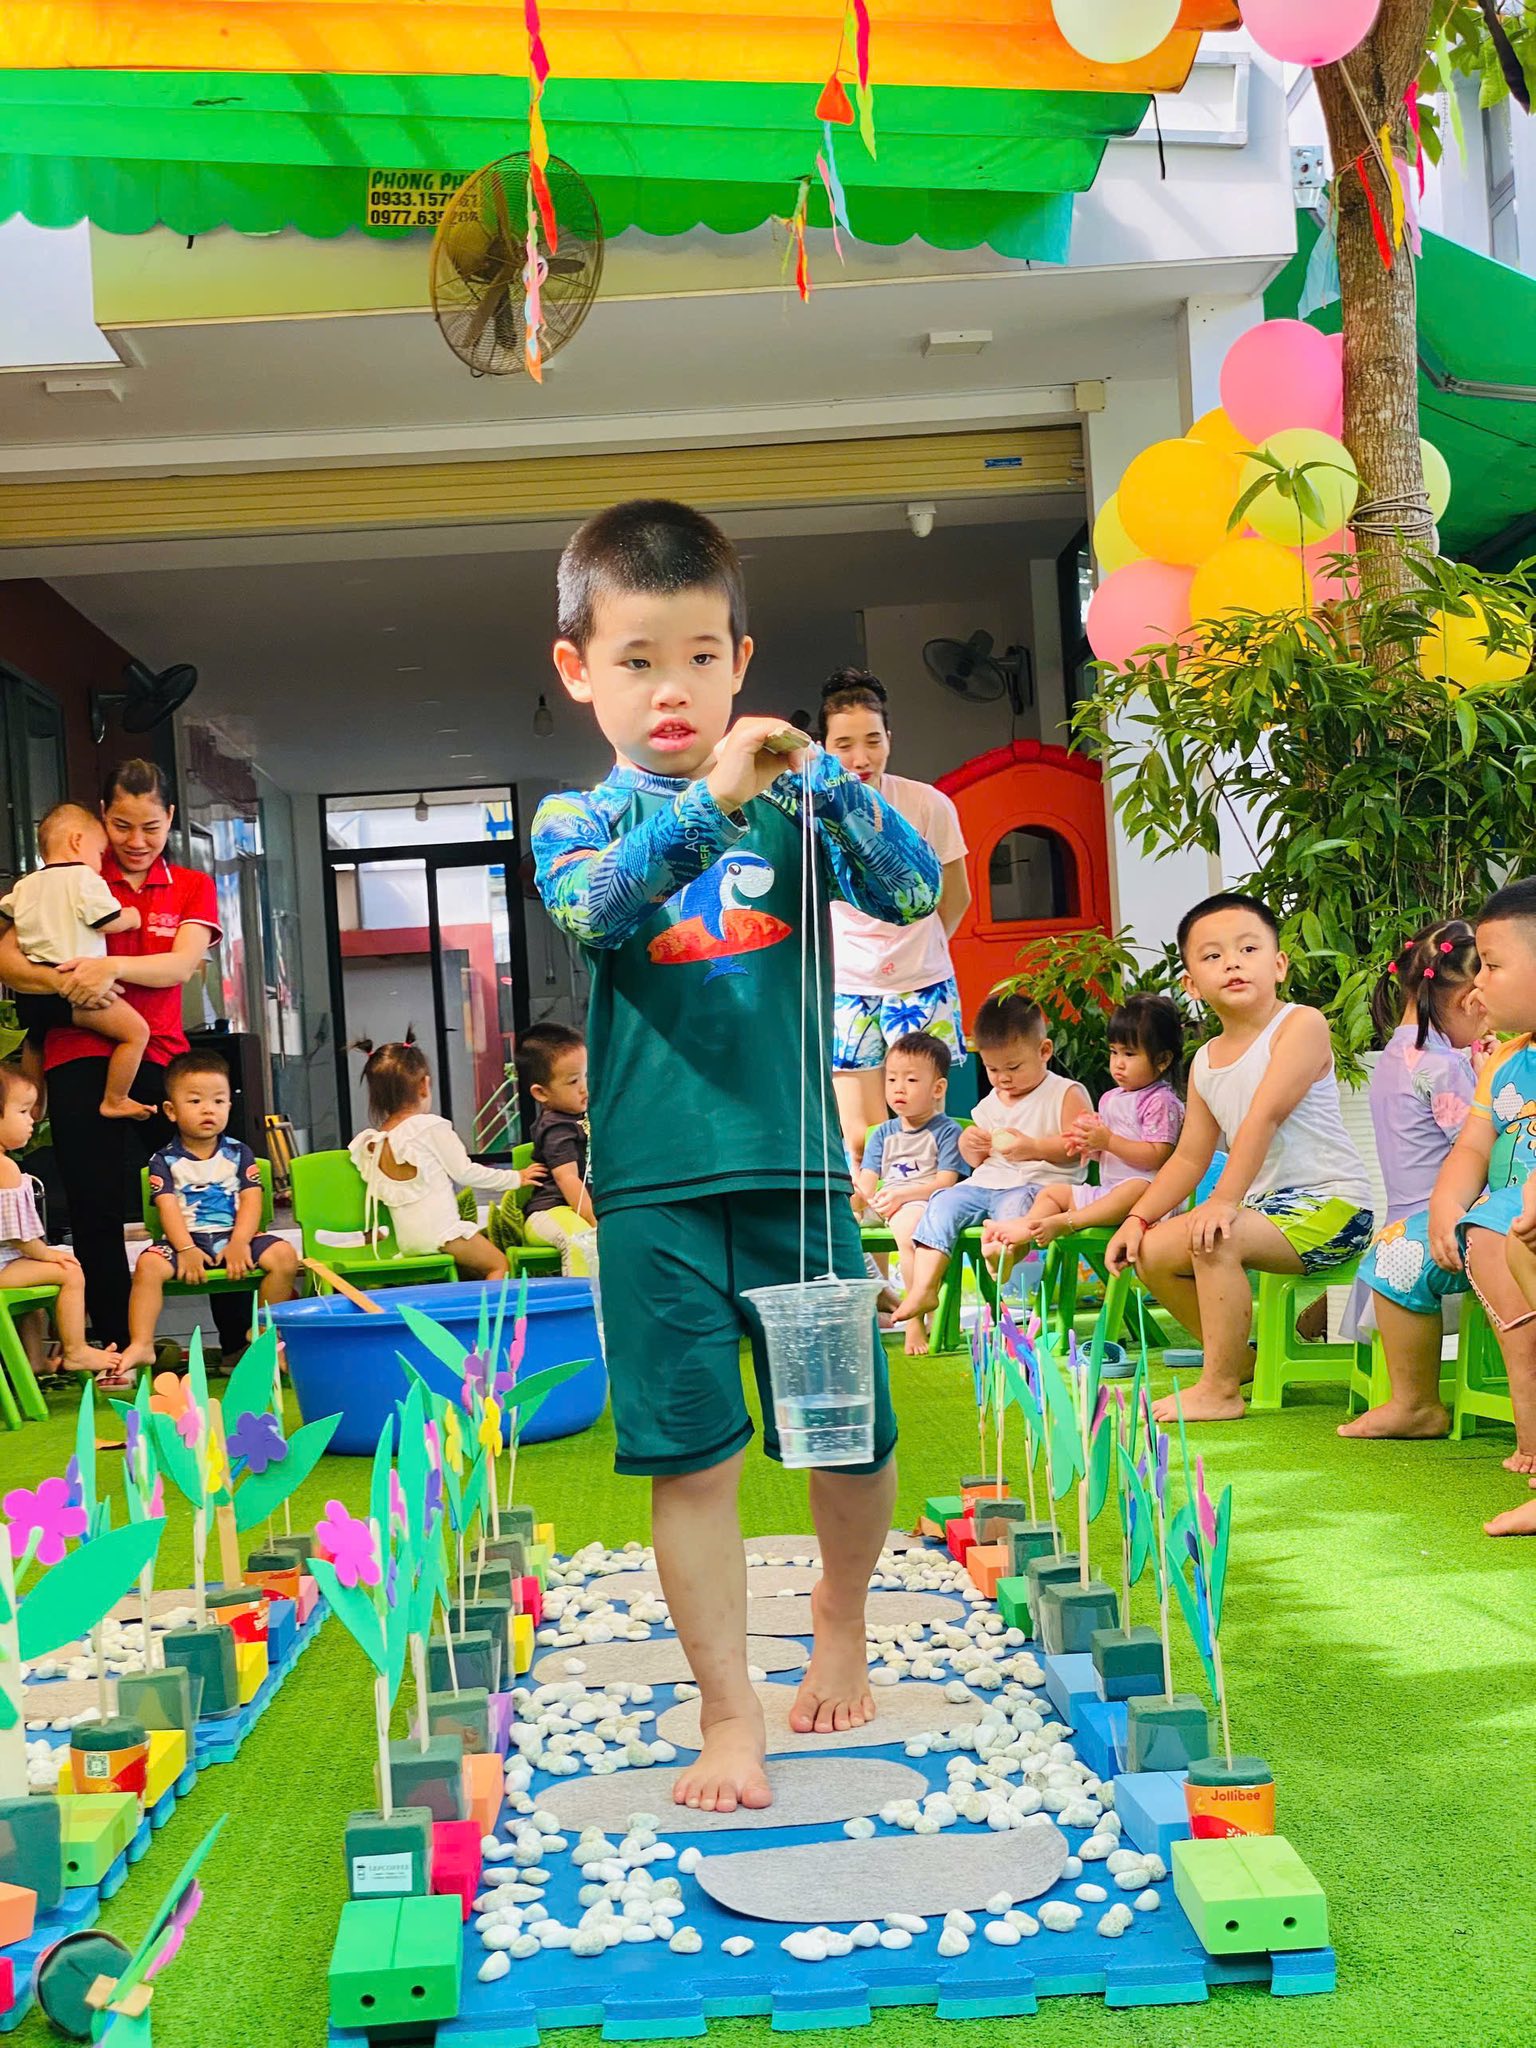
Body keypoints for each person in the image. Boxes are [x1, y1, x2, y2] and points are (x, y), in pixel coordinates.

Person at [533, 497, 940, 1816]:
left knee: (848, 1441)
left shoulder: (798, 802)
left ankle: (839, 1615)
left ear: (741, 660)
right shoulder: (572, 819)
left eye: (701, 656)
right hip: (653, 1189)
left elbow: (912, 891)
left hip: (800, 1180)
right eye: (638, 659)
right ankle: (727, 1709)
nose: (673, 688)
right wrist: (715, 797)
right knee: (692, 1458)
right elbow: (599, 912)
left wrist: (820, 776)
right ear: (578, 669)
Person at [1105, 894, 1373, 1423]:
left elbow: (1263, 1117)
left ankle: (1219, 1388)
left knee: (1213, 1235)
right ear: (1191, 984)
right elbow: (1189, 1159)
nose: (1232, 962)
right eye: (1213, 956)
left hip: (1334, 1209)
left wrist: (1224, 1201)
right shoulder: (1205, 1061)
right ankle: (1239, 1360)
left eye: (1248, 949)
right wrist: (1138, 1218)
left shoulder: (1300, 1024)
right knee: (1151, 1252)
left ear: (1279, 965)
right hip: (1265, 1212)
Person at [0, 759, 237, 1355]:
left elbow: (180, 965)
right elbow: (8, 960)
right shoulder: (72, 871)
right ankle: (114, 1341)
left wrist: (107, 967)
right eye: (123, 826)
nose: (136, 841)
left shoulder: (189, 884)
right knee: (95, 1204)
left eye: (151, 827)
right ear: (102, 818)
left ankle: (236, 1335)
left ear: (171, 819)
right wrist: (66, 983)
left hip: (163, 1057)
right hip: (77, 1052)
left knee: (211, 1184)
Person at [1364, 881, 1536, 1536]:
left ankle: (1531, 1425)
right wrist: (1444, 1203)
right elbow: (1471, 1147)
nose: (1479, 984)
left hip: (1512, 1221)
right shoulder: (1505, 1062)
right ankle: (1415, 1401)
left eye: (1492, 965)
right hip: (1494, 1211)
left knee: (1494, 1234)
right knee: (1404, 1248)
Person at [821, 671, 971, 1171]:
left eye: (872, 740)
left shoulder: (928, 804)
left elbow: (956, 896)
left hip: (921, 980)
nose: (860, 758)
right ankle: (874, 1226)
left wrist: (921, 946)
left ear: (890, 738)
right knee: (860, 1140)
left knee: (927, 1133)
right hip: (849, 983)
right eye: (844, 745)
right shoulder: (812, 815)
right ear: (823, 749)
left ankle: (926, 1223)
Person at [1343, 920, 1484, 1442]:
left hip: (1407, 1219)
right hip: (1441, 1218)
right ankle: (1415, 1402)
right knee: (1401, 1258)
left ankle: (1414, 1401)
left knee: (1396, 1256)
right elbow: (1476, 1146)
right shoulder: (1440, 1065)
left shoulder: (1398, 1054)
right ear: (1469, 999)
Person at [890, 993, 1090, 1334]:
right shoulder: (989, 1102)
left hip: (1038, 1185)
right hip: (985, 1183)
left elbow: (1079, 1148)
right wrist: (970, 1145)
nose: (1003, 1078)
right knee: (942, 1202)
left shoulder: (1065, 1093)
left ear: (1044, 1051)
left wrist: (1034, 1147)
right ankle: (924, 1288)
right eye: (992, 1069)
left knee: (1016, 1207)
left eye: (1013, 1067)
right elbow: (977, 1161)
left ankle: (1002, 1253)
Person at [121, 1052, 300, 1375]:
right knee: (148, 1265)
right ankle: (142, 1343)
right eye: (195, 1101)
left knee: (285, 1257)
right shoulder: (163, 1160)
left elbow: (251, 1201)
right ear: (171, 1110)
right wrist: (185, 1248)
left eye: (218, 1101)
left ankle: (261, 1330)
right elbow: (167, 1208)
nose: (208, 1109)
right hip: (184, 1242)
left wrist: (240, 1242)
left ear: (229, 1106)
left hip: (236, 1237)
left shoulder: (239, 1153)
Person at [982, 992, 1185, 1264]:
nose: (1118, 1063)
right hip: (1108, 1195)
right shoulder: (1111, 1098)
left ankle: (1068, 1221)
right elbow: (1110, 1154)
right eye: (1113, 1052)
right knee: (1052, 1192)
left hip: (1148, 1203)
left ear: (1162, 1060)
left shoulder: (1160, 1101)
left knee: (1136, 1187)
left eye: (1129, 1054)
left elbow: (1157, 1156)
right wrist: (1089, 1146)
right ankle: (1023, 1231)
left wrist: (1108, 1141)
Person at [0, 804, 150, 1121]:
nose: (100, 862)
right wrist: (132, 917)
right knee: (136, 1033)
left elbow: (3, 917)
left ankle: (32, 1108)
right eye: (99, 852)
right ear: (76, 841)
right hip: (76, 986)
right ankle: (116, 1098)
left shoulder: (25, 884)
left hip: (31, 994)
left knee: (35, 1044)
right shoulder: (84, 877)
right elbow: (106, 920)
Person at [348, 1041, 531, 1280]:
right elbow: (465, 1172)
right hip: (443, 1234)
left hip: (408, 1241)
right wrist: (516, 1178)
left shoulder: (374, 1141)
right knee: (498, 1265)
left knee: (469, 1272)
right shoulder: (429, 1127)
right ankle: (488, 1307)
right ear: (424, 1086)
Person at [0, 1064, 121, 1378]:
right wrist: (47, 1254)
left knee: (35, 1298)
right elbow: (18, 1237)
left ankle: (36, 1360)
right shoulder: (5, 1168)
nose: (32, 1119)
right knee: (69, 1272)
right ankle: (76, 1350)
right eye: (23, 1111)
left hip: (6, 1263)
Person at [854, 1031, 966, 1355]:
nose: (898, 1088)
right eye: (891, 1079)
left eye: (911, 1080)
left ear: (937, 1089)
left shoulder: (947, 1131)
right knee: (835, 1221)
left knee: (908, 1229)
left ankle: (914, 1320)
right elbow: (867, 1183)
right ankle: (870, 1303)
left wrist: (901, 1197)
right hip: (885, 1201)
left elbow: (945, 1183)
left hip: (923, 1202)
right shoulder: (882, 1134)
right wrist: (855, 1198)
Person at [516, 1022, 595, 1277]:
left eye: (586, 1075)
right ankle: (584, 1301)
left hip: (578, 1209)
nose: (584, 1087)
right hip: (549, 1212)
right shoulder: (556, 1127)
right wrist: (594, 1220)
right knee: (583, 1240)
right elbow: (567, 1178)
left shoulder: (584, 1116)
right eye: (573, 1081)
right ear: (541, 1093)